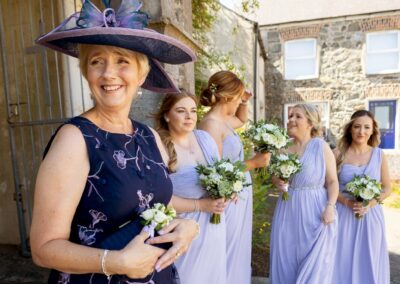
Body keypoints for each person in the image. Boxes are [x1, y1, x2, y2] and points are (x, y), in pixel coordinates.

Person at [30, 1, 199, 283]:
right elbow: (43, 249)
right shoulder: (75, 139)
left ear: (142, 74)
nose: (109, 73)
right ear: (86, 71)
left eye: (122, 61)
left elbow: (153, 209)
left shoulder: (150, 136)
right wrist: (116, 262)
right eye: (97, 61)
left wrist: (184, 226)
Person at [198, 70, 270, 284]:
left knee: (238, 246)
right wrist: (254, 163)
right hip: (227, 198)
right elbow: (216, 173)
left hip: (239, 192)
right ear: (228, 97)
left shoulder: (224, 120)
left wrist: (245, 102)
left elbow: (241, 118)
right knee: (227, 247)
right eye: (238, 97)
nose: (240, 101)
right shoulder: (211, 125)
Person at [154, 91, 228, 284]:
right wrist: (201, 206)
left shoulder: (205, 138)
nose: (189, 117)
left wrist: (229, 191)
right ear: (166, 115)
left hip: (214, 226)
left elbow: (222, 176)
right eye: (181, 111)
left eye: (193, 111)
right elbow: (156, 199)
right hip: (181, 230)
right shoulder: (158, 147)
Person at [270, 104, 338, 283]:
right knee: (286, 260)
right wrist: (278, 181)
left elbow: (332, 182)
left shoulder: (321, 147)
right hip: (287, 210)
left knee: (315, 266)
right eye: (290, 115)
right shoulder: (283, 148)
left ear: (310, 123)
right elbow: (275, 179)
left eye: (297, 116)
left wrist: (330, 207)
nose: (291, 119)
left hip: (315, 211)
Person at [333, 110, 391, 284]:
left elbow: (387, 188)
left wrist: (371, 203)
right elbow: (328, 185)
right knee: (342, 258)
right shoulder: (337, 154)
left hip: (371, 215)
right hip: (343, 213)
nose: (361, 131)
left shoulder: (379, 155)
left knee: (369, 258)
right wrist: (347, 202)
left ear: (373, 130)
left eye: (367, 127)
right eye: (357, 127)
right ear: (350, 129)